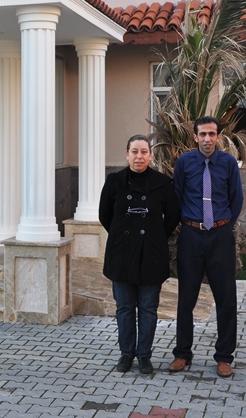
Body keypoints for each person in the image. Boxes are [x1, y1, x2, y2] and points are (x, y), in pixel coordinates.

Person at [99, 134, 181, 374]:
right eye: (134, 151)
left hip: (151, 256)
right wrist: (121, 236)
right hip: (121, 255)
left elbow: (173, 216)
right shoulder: (114, 181)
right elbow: (105, 215)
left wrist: (154, 237)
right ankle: (126, 354)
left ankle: (144, 355)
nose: (139, 156)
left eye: (144, 151)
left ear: (150, 156)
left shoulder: (163, 183)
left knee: (148, 308)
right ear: (127, 154)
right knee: (124, 307)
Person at [169, 116, 243, 378]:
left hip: (220, 237)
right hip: (191, 236)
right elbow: (177, 196)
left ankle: (224, 357)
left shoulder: (228, 163)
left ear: (218, 137)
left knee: (226, 299)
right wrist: (191, 225)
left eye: (212, 134)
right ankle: (182, 354)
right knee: (186, 299)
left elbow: (236, 199)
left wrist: (223, 225)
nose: (207, 139)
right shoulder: (185, 162)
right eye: (203, 134)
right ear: (195, 137)